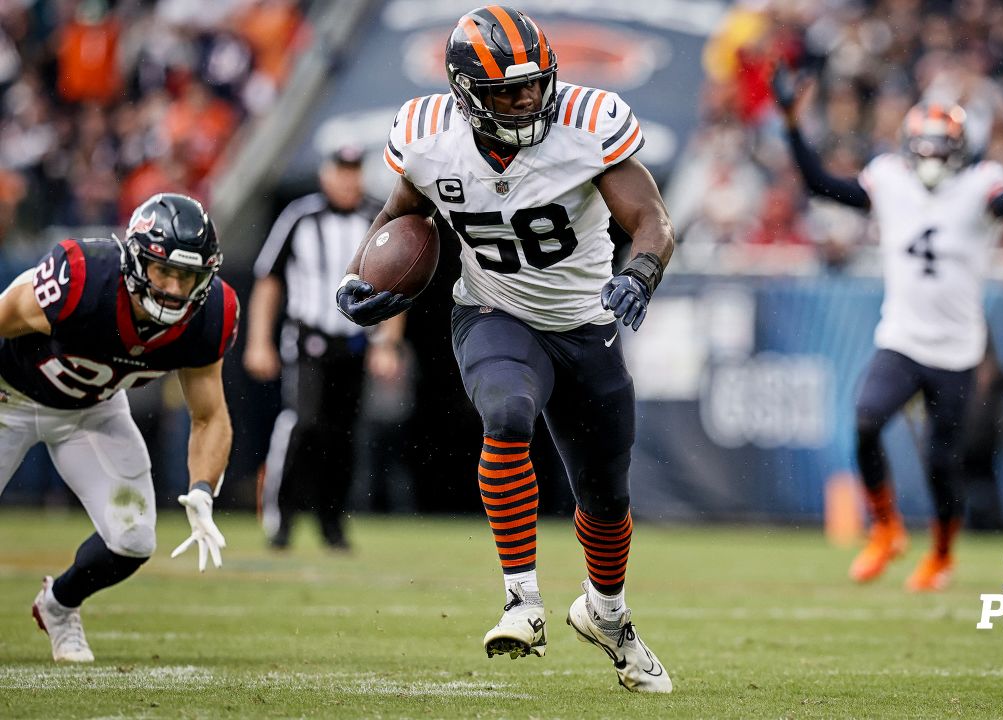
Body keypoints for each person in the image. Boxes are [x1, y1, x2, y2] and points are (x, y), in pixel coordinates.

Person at [335, 6, 673, 693]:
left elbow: (651, 221)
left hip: (585, 321)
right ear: (464, 94)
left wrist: (639, 273)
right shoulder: (429, 138)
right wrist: (359, 272)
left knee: (605, 497)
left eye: (532, 85)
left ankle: (607, 614)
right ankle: (523, 601)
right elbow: (402, 214)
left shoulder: (587, 123)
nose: (525, 100)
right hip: (495, 312)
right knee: (508, 415)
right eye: (505, 92)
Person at [773, 64, 1003, 591]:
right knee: (866, 421)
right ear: (907, 146)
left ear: (960, 149)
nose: (930, 156)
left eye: (941, 146)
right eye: (923, 146)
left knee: (941, 459)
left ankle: (942, 553)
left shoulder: (980, 186)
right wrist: (790, 123)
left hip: (957, 348)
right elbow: (821, 184)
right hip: (901, 337)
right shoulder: (890, 179)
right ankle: (887, 530)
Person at [0, 192, 237, 662]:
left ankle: (58, 607)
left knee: (133, 539)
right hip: (8, 397)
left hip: (92, 412)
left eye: (187, 276)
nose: (173, 287)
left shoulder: (209, 315)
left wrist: (204, 489)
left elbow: (209, 414)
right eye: (163, 270)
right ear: (134, 261)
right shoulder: (82, 279)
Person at [244, 145, 399, 551]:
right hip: (308, 339)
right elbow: (268, 279)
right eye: (342, 171)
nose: (349, 180)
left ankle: (332, 522)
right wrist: (258, 341)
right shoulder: (300, 216)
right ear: (325, 175)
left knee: (344, 434)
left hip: (354, 343)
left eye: (355, 171)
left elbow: (399, 284)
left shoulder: (374, 217)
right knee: (304, 422)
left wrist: (388, 344)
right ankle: (281, 516)